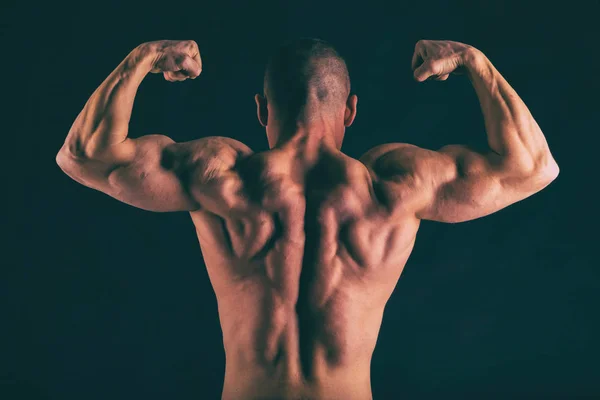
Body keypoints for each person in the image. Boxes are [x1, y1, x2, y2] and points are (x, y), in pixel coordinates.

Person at [56, 38, 559, 400]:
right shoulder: (394, 185)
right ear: (351, 111)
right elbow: (532, 167)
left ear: (261, 109)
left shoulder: (220, 177)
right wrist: (475, 61)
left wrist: (141, 58)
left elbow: (83, 157)